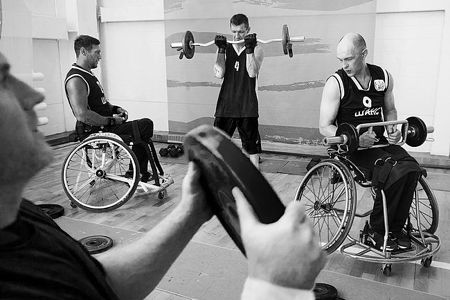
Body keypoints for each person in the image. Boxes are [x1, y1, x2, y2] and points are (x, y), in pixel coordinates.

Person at [0, 52, 326, 299]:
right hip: (98, 130)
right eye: (2, 80)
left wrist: (190, 213)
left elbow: (98, 283)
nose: (34, 95)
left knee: (142, 128)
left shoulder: (17, 216)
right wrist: (278, 285)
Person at [319, 33, 422, 251]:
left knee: (412, 168)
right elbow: (324, 126)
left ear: (364, 54)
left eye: (349, 59)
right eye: (341, 60)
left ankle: (394, 229)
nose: (344, 65)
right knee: (393, 170)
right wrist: (356, 139)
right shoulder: (336, 83)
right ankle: (376, 232)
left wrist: (393, 128)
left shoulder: (383, 77)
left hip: (381, 143)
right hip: (354, 149)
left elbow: (390, 109)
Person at [64, 35, 155, 183]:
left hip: (104, 126)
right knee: (145, 125)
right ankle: (137, 173)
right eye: (97, 52)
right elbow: (82, 115)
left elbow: (100, 103)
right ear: (83, 52)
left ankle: (137, 172)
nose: (100, 56)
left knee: (143, 128)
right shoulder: (76, 79)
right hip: (94, 130)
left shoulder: (88, 75)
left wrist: (116, 109)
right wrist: (112, 121)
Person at [213, 14, 264, 169]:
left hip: (247, 107)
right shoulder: (225, 48)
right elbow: (219, 73)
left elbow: (252, 72)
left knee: (251, 150)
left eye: (241, 32)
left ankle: (255, 183)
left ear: (248, 29)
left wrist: (249, 49)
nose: (237, 35)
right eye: (234, 32)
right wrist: (221, 50)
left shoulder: (257, 49)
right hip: (225, 105)